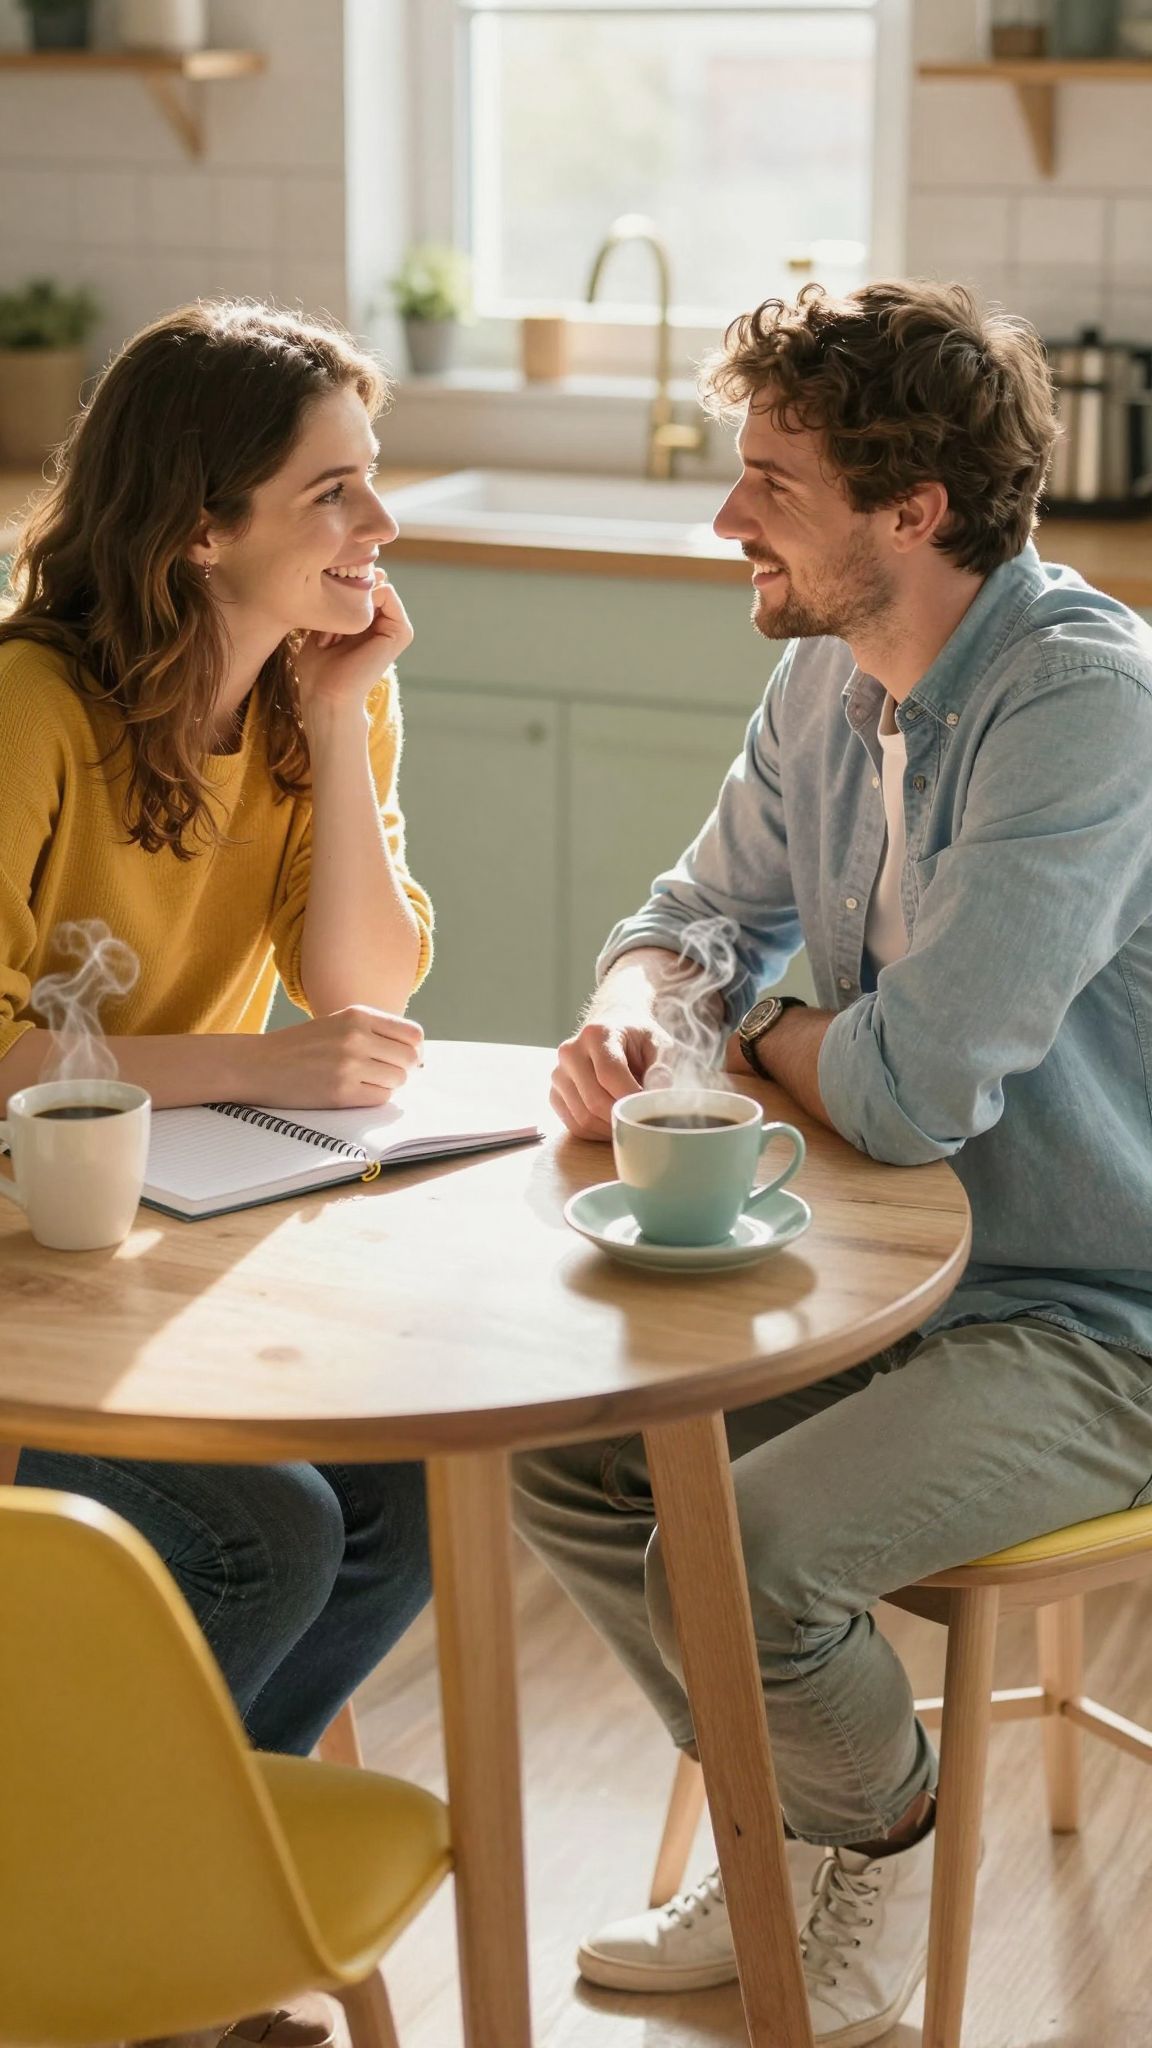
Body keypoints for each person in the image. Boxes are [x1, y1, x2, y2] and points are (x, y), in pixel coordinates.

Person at [513, 279, 1152, 2046]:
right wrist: (652, 1019)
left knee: (766, 1553)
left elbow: (913, 1087)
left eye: (769, 482)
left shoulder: (1080, 702)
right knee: (575, 1457)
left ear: (912, 513)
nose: (727, 517)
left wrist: (756, 1030)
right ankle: (794, 1818)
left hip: (1091, 1314)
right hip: (889, 1279)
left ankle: (866, 1834)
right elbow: (681, 924)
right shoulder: (824, 675)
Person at [1, 301, 434, 2048]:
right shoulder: (26, 706)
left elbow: (368, 992)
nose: (378, 529)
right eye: (334, 494)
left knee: (392, 1501)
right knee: (264, 1529)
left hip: (145, 1242)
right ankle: (105, 1925)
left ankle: (160, 1910)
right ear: (203, 526)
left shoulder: (309, 696)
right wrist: (248, 1065)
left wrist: (339, 727)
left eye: (374, 481)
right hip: (29, 1253)